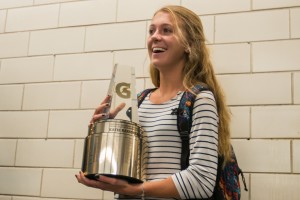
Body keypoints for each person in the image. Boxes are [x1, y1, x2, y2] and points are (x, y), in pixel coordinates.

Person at [76, 5, 232, 200]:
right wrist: (101, 133)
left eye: (166, 30)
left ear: (188, 44)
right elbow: (120, 172)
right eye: (152, 31)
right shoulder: (139, 101)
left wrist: (135, 190)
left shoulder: (199, 99)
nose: (155, 37)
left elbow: (201, 182)